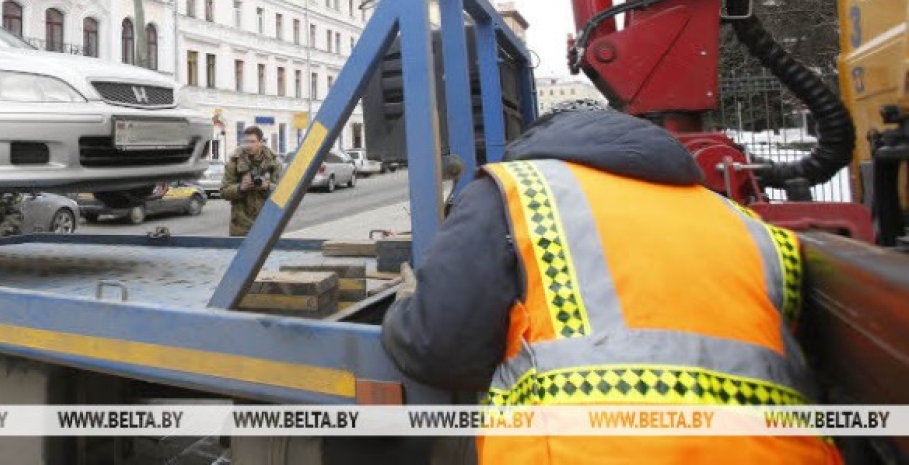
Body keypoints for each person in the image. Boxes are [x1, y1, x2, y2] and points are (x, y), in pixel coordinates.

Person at [381, 100, 839, 463]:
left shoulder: (522, 190)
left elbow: (435, 345)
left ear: (539, 140)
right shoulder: (745, 225)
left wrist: (404, 306)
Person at [219, 126, 283, 237]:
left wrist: (267, 186)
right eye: (246, 141)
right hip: (241, 225)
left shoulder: (274, 164)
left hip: (266, 222)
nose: (248, 145)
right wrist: (240, 188)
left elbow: (284, 193)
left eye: (252, 142)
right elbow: (224, 192)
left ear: (261, 142)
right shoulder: (234, 162)